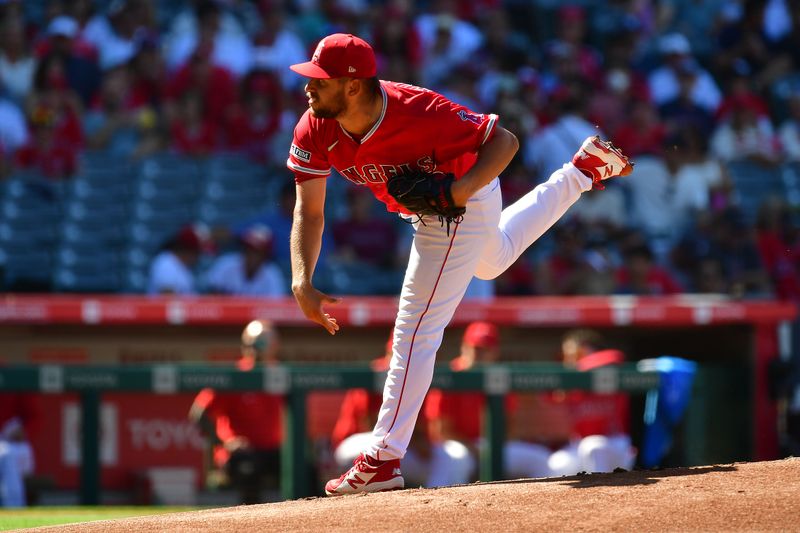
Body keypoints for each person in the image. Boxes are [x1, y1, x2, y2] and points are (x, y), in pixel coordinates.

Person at [285, 33, 633, 496]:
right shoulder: (314, 126)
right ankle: (582, 170)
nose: (309, 88)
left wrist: (456, 193)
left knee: (414, 328)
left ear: (352, 86)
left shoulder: (417, 109)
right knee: (493, 260)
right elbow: (309, 210)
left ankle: (383, 457)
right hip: (437, 208)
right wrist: (302, 278)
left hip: (455, 204)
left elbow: (505, 143)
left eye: (320, 81)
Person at [331, 333, 473, 488]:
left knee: (449, 459)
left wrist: (421, 443)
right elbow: (371, 426)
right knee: (382, 449)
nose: (401, 362)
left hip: (400, 448)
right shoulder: (377, 371)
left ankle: (434, 501)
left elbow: (425, 427)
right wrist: (414, 443)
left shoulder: (418, 377)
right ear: (388, 353)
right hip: (359, 445)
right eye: (397, 355)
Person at [425, 321, 552, 482]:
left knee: (540, 459)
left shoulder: (498, 377)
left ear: (494, 352)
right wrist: (476, 451)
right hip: (455, 446)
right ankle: (444, 505)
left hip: (489, 445)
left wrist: (491, 449)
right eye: (475, 348)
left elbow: (510, 426)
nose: (479, 354)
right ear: (464, 348)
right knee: (458, 459)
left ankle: (541, 505)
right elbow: (442, 432)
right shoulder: (451, 377)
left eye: (485, 349)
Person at [188, 319, 284, 504]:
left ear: (274, 346)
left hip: (273, 451)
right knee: (248, 468)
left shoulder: (279, 374)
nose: (255, 350)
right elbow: (198, 414)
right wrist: (224, 443)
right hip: (241, 453)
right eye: (252, 344)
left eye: (261, 344)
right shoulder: (235, 376)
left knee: (304, 471)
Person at [544, 329, 637, 476]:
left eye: (576, 354)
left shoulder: (611, 368)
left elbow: (614, 357)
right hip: (579, 447)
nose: (570, 361)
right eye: (568, 357)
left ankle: (602, 496)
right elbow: (549, 395)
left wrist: (575, 374)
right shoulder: (571, 384)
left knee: (593, 446)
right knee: (555, 465)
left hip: (615, 445)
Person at [203, 224, 287, 297]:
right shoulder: (225, 264)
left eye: (256, 252)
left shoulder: (272, 275)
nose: (251, 255)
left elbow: (276, 309)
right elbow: (210, 296)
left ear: (265, 255)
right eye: (248, 249)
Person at [0, 393, 41, 507]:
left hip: (13, 445)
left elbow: (35, 417)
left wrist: (23, 431)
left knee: (7, 455)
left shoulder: (16, 387)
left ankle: (14, 509)